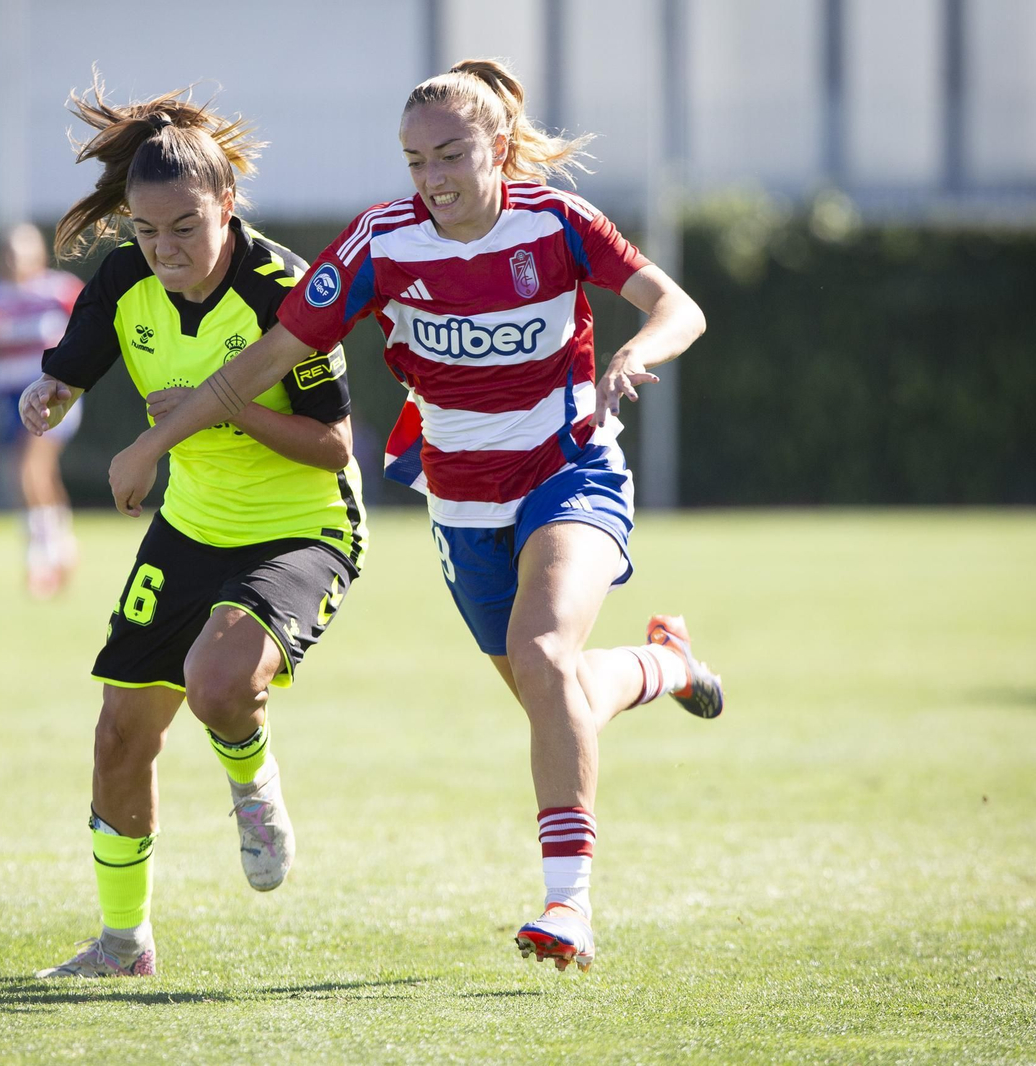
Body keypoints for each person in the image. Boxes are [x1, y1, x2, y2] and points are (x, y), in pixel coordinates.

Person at [105, 59, 724, 974]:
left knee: (547, 656)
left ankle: (568, 907)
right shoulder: (380, 242)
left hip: (569, 473)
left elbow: (679, 306)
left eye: (449, 156)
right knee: (562, 697)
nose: (431, 180)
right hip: (463, 502)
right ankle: (662, 663)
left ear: (498, 149)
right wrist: (150, 446)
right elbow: (262, 363)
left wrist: (633, 354)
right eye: (413, 162)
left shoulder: (555, 223)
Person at [18, 74, 368, 979]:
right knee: (119, 734)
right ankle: (122, 943)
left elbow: (333, 448)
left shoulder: (284, 288)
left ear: (227, 205)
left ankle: (253, 788)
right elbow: (72, 369)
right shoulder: (125, 276)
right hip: (190, 526)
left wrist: (215, 413)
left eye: (185, 227)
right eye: (146, 230)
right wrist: (47, 394)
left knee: (218, 684)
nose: (165, 248)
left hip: (300, 526)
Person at [0, 224, 86, 597]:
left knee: (32, 468)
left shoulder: (61, 291)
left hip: (52, 394)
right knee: (30, 474)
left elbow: (95, 333)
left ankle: (40, 559)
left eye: (22, 253)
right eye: (8, 254)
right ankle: (62, 543)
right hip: (3, 397)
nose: (15, 261)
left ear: (40, 255)